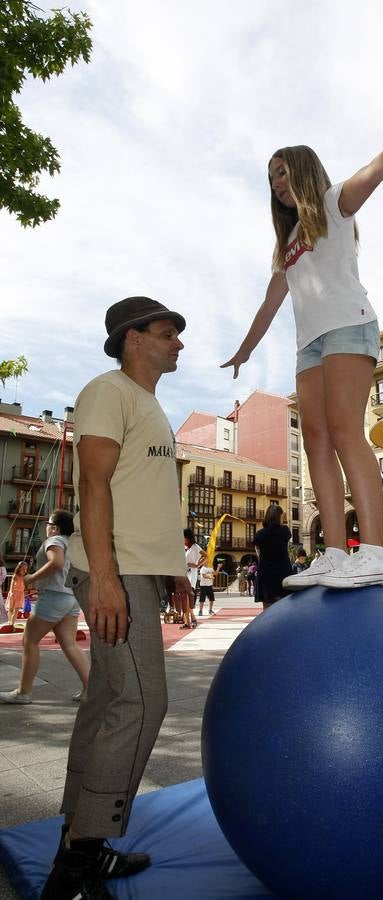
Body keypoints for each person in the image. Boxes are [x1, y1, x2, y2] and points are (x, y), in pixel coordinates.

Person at [221, 96, 383, 590]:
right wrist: (245, 349)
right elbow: (269, 302)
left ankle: (376, 552)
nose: (277, 183)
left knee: (345, 432)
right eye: (271, 178)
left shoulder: (333, 203)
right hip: (309, 346)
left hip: (348, 327)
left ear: (301, 169)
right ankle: (336, 555)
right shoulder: (286, 244)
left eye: (282, 172)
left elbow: (380, 165)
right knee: (317, 440)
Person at [40, 297, 194, 900]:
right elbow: (94, 485)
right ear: (133, 338)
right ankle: (80, 861)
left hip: (140, 570)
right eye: (167, 333)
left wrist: (174, 571)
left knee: (107, 701)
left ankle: (74, 840)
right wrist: (103, 577)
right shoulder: (108, 390)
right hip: (115, 569)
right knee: (141, 702)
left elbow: (144, 496)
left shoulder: (151, 405)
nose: (178, 343)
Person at [0, 511, 90, 705]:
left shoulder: (54, 541)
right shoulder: (73, 544)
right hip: (71, 598)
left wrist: (32, 578)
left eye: (48, 523)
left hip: (52, 597)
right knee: (69, 644)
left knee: (29, 641)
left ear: (55, 527)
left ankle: (23, 692)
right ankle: (90, 689)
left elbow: (56, 563)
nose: (46, 527)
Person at [254, 505, 293, 610]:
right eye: (282, 516)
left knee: (267, 610)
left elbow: (258, 552)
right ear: (278, 517)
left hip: (265, 575)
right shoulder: (285, 531)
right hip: (282, 573)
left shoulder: (260, 534)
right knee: (283, 609)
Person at [182, 528, 202, 629]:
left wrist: (197, 564)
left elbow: (206, 555)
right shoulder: (187, 548)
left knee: (187, 597)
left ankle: (191, 619)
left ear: (187, 537)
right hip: (185, 573)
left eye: (183, 537)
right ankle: (188, 621)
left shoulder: (195, 547)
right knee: (184, 598)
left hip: (191, 574)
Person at [5, 559, 28, 630]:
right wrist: (11, 592)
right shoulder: (15, 576)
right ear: (19, 568)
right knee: (11, 609)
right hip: (13, 593)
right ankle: (9, 621)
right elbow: (12, 585)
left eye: (25, 569)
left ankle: (12, 623)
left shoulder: (25, 577)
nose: (24, 570)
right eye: (23, 568)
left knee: (16, 610)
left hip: (20, 595)